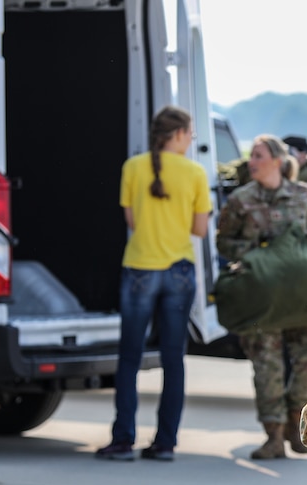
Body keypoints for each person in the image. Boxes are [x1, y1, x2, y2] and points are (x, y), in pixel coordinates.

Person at [96, 106, 212, 462]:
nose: (192, 140)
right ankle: (165, 443)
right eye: (190, 133)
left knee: (129, 358)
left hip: (139, 269)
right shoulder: (194, 172)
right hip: (178, 270)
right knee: (173, 358)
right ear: (177, 134)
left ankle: (122, 439)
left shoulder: (132, 167)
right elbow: (199, 230)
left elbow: (130, 219)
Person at [216, 134, 307, 459]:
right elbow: (224, 242)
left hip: (300, 296)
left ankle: (296, 425)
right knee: (266, 365)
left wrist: (300, 256)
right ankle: (273, 437)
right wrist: (259, 254)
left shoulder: (303, 195)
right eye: (251, 155)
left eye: (257, 155)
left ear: (278, 161)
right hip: (262, 295)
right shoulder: (241, 200)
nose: (250, 161)